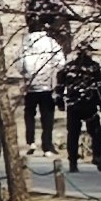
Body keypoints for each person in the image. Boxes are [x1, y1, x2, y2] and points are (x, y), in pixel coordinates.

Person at [60, 43, 101, 175]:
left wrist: (60, 102)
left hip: (73, 105)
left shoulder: (69, 67)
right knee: (96, 132)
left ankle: (73, 162)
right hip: (89, 104)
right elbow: (99, 87)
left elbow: (60, 85)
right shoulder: (93, 67)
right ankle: (97, 156)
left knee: (73, 134)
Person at [14, 21, 64, 157]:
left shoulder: (26, 43)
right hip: (47, 86)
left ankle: (31, 142)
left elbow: (18, 62)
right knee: (47, 117)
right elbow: (61, 62)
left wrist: (25, 74)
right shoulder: (51, 43)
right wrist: (52, 73)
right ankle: (47, 145)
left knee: (29, 115)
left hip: (30, 86)